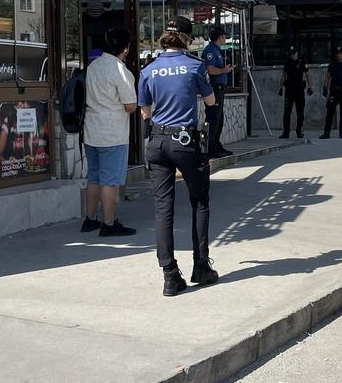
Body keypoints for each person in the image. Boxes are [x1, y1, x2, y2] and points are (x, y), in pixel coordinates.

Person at [138, 16, 218, 297]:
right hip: (185, 140)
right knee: (199, 202)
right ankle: (200, 266)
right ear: (186, 38)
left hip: (157, 142)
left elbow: (145, 113)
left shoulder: (148, 70)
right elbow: (211, 102)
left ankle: (170, 275)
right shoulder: (195, 66)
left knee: (163, 209)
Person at [80, 27, 138, 237]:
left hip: (91, 130)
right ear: (126, 48)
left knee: (93, 176)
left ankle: (90, 219)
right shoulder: (120, 70)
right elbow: (130, 105)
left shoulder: (93, 66)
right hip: (112, 132)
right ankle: (109, 223)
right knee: (109, 180)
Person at [201, 26, 234, 159]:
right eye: (223, 36)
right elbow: (210, 69)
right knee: (213, 118)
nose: (225, 38)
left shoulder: (216, 50)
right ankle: (209, 148)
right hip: (215, 88)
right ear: (219, 37)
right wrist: (224, 71)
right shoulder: (210, 51)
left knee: (219, 118)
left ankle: (215, 144)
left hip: (219, 88)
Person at [278, 47, 311, 138]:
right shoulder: (287, 63)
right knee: (287, 112)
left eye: (293, 53)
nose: (292, 55)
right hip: (289, 90)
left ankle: (299, 131)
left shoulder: (302, 62)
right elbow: (284, 75)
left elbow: (307, 75)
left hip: (299, 90)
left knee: (300, 112)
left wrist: (310, 87)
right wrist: (280, 88)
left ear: (297, 53)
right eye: (291, 53)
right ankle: (286, 132)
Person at [319, 46, 342, 139]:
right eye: (337, 53)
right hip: (334, 91)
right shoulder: (332, 65)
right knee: (330, 112)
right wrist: (325, 88)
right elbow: (327, 77)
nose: (338, 55)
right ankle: (326, 132)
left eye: (340, 53)